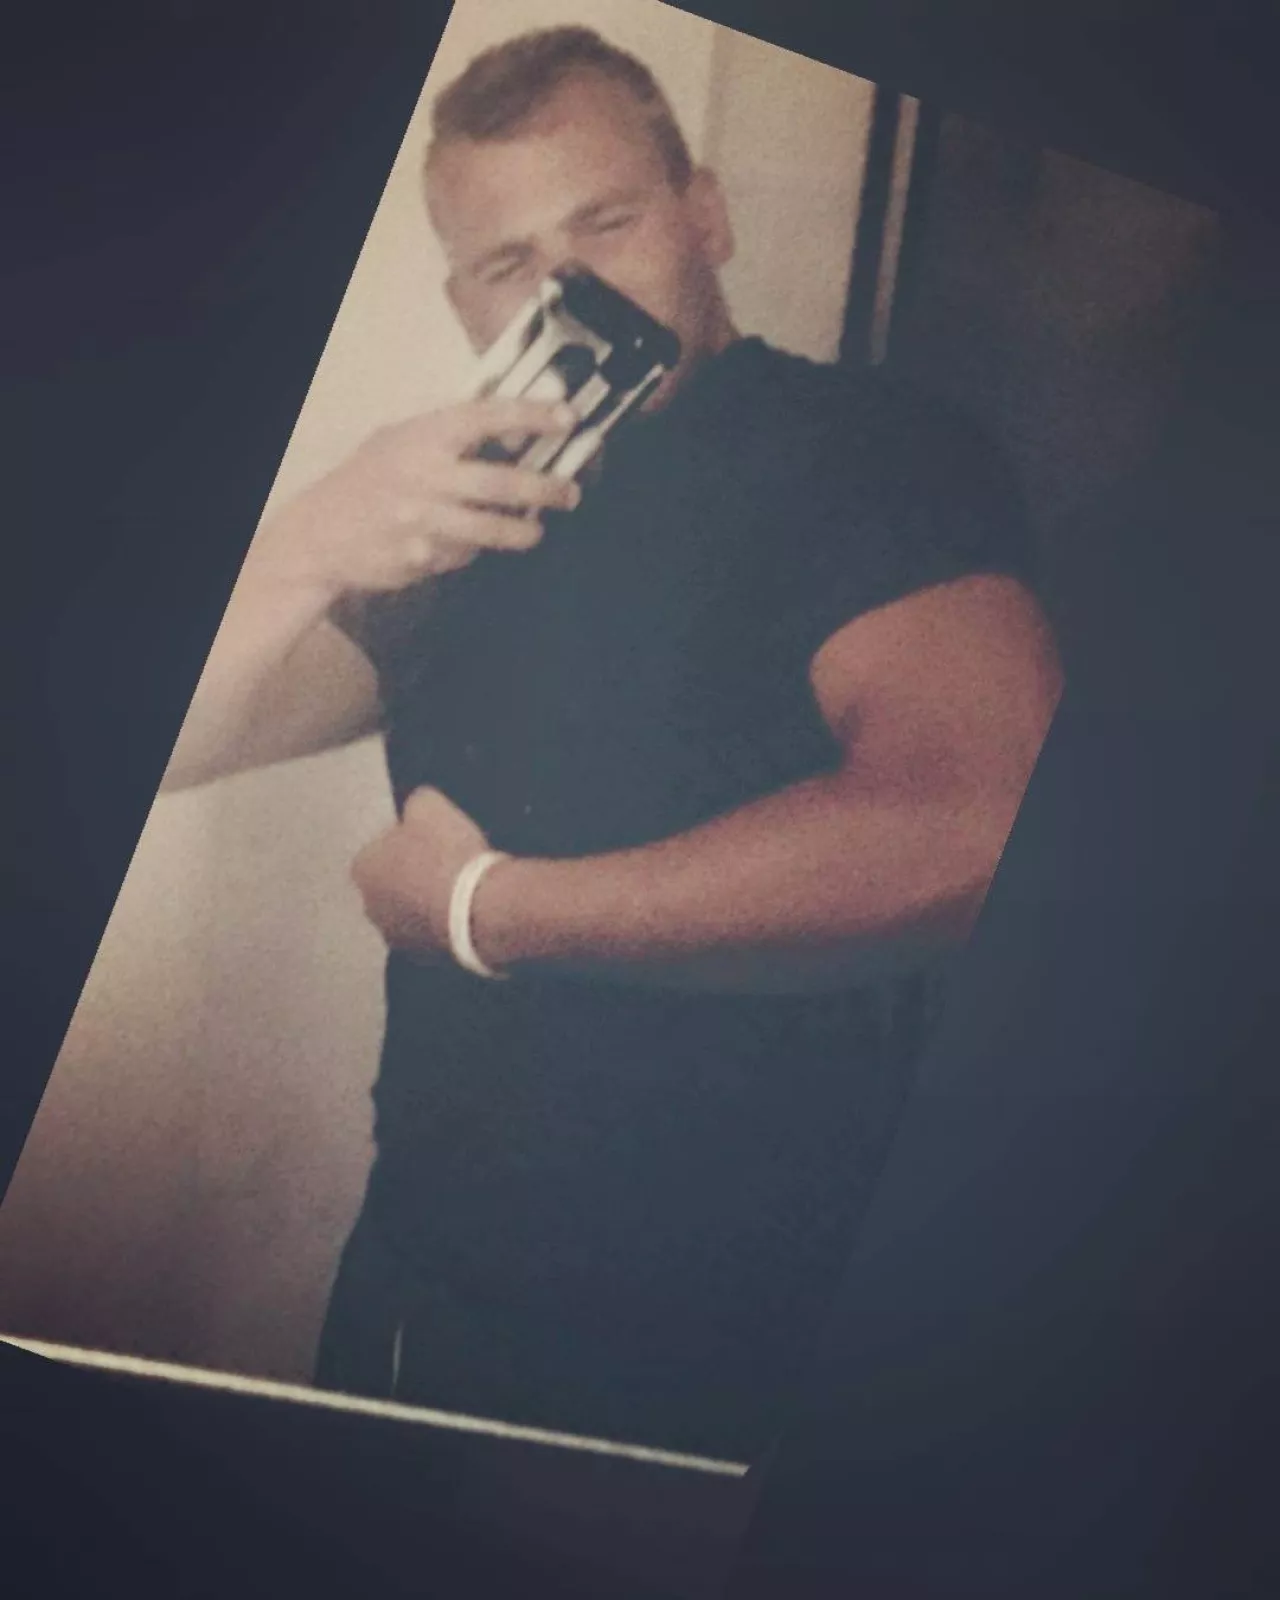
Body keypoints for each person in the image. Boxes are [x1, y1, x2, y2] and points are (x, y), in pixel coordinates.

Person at [164, 26, 1061, 1462]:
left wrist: (484, 910)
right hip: (427, 1269)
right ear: (462, 301)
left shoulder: (869, 453)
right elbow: (172, 746)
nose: (566, 290)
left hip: (729, 1315)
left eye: (607, 223)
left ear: (705, 215)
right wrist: (303, 542)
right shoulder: (468, 507)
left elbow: (983, 825)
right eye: (507, 262)